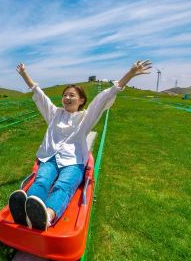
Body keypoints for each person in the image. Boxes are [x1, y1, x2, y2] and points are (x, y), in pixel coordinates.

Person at [9, 60, 152, 230]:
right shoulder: (54, 113)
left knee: (63, 186)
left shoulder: (86, 117)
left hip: (73, 161)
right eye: (65, 95)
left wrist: (130, 73)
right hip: (50, 157)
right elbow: (38, 93)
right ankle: (26, 211)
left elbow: (104, 97)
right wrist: (24, 73)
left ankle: (46, 216)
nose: (67, 98)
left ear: (81, 100)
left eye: (72, 95)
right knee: (41, 181)